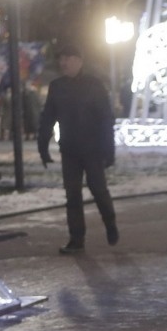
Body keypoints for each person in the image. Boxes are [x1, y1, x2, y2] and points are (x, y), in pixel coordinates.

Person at [37, 43, 118, 254]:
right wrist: (42, 146)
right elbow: (48, 117)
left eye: (68, 58)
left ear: (79, 61)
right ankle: (76, 238)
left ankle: (110, 223)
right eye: (61, 59)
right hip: (70, 150)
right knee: (72, 195)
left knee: (98, 190)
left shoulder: (94, 85)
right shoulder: (57, 86)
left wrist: (109, 150)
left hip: (92, 149)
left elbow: (106, 119)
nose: (63, 62)